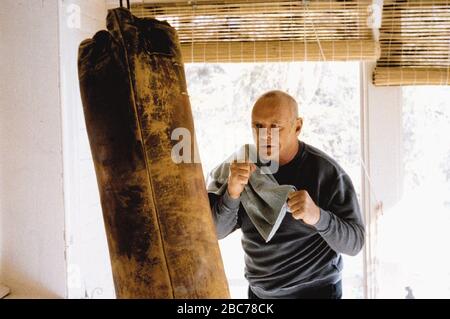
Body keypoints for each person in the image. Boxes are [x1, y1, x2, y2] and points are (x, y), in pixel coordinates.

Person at [207, 90, 365, 299]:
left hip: (317, 292)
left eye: (275, 126)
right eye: (259, 126)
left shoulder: (326, 172)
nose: (265, 136)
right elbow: (214, 233)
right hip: (260, 295)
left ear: (297, 126)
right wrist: (232, 193)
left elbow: (355, 243)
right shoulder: (240, 167)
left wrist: (318, 217)